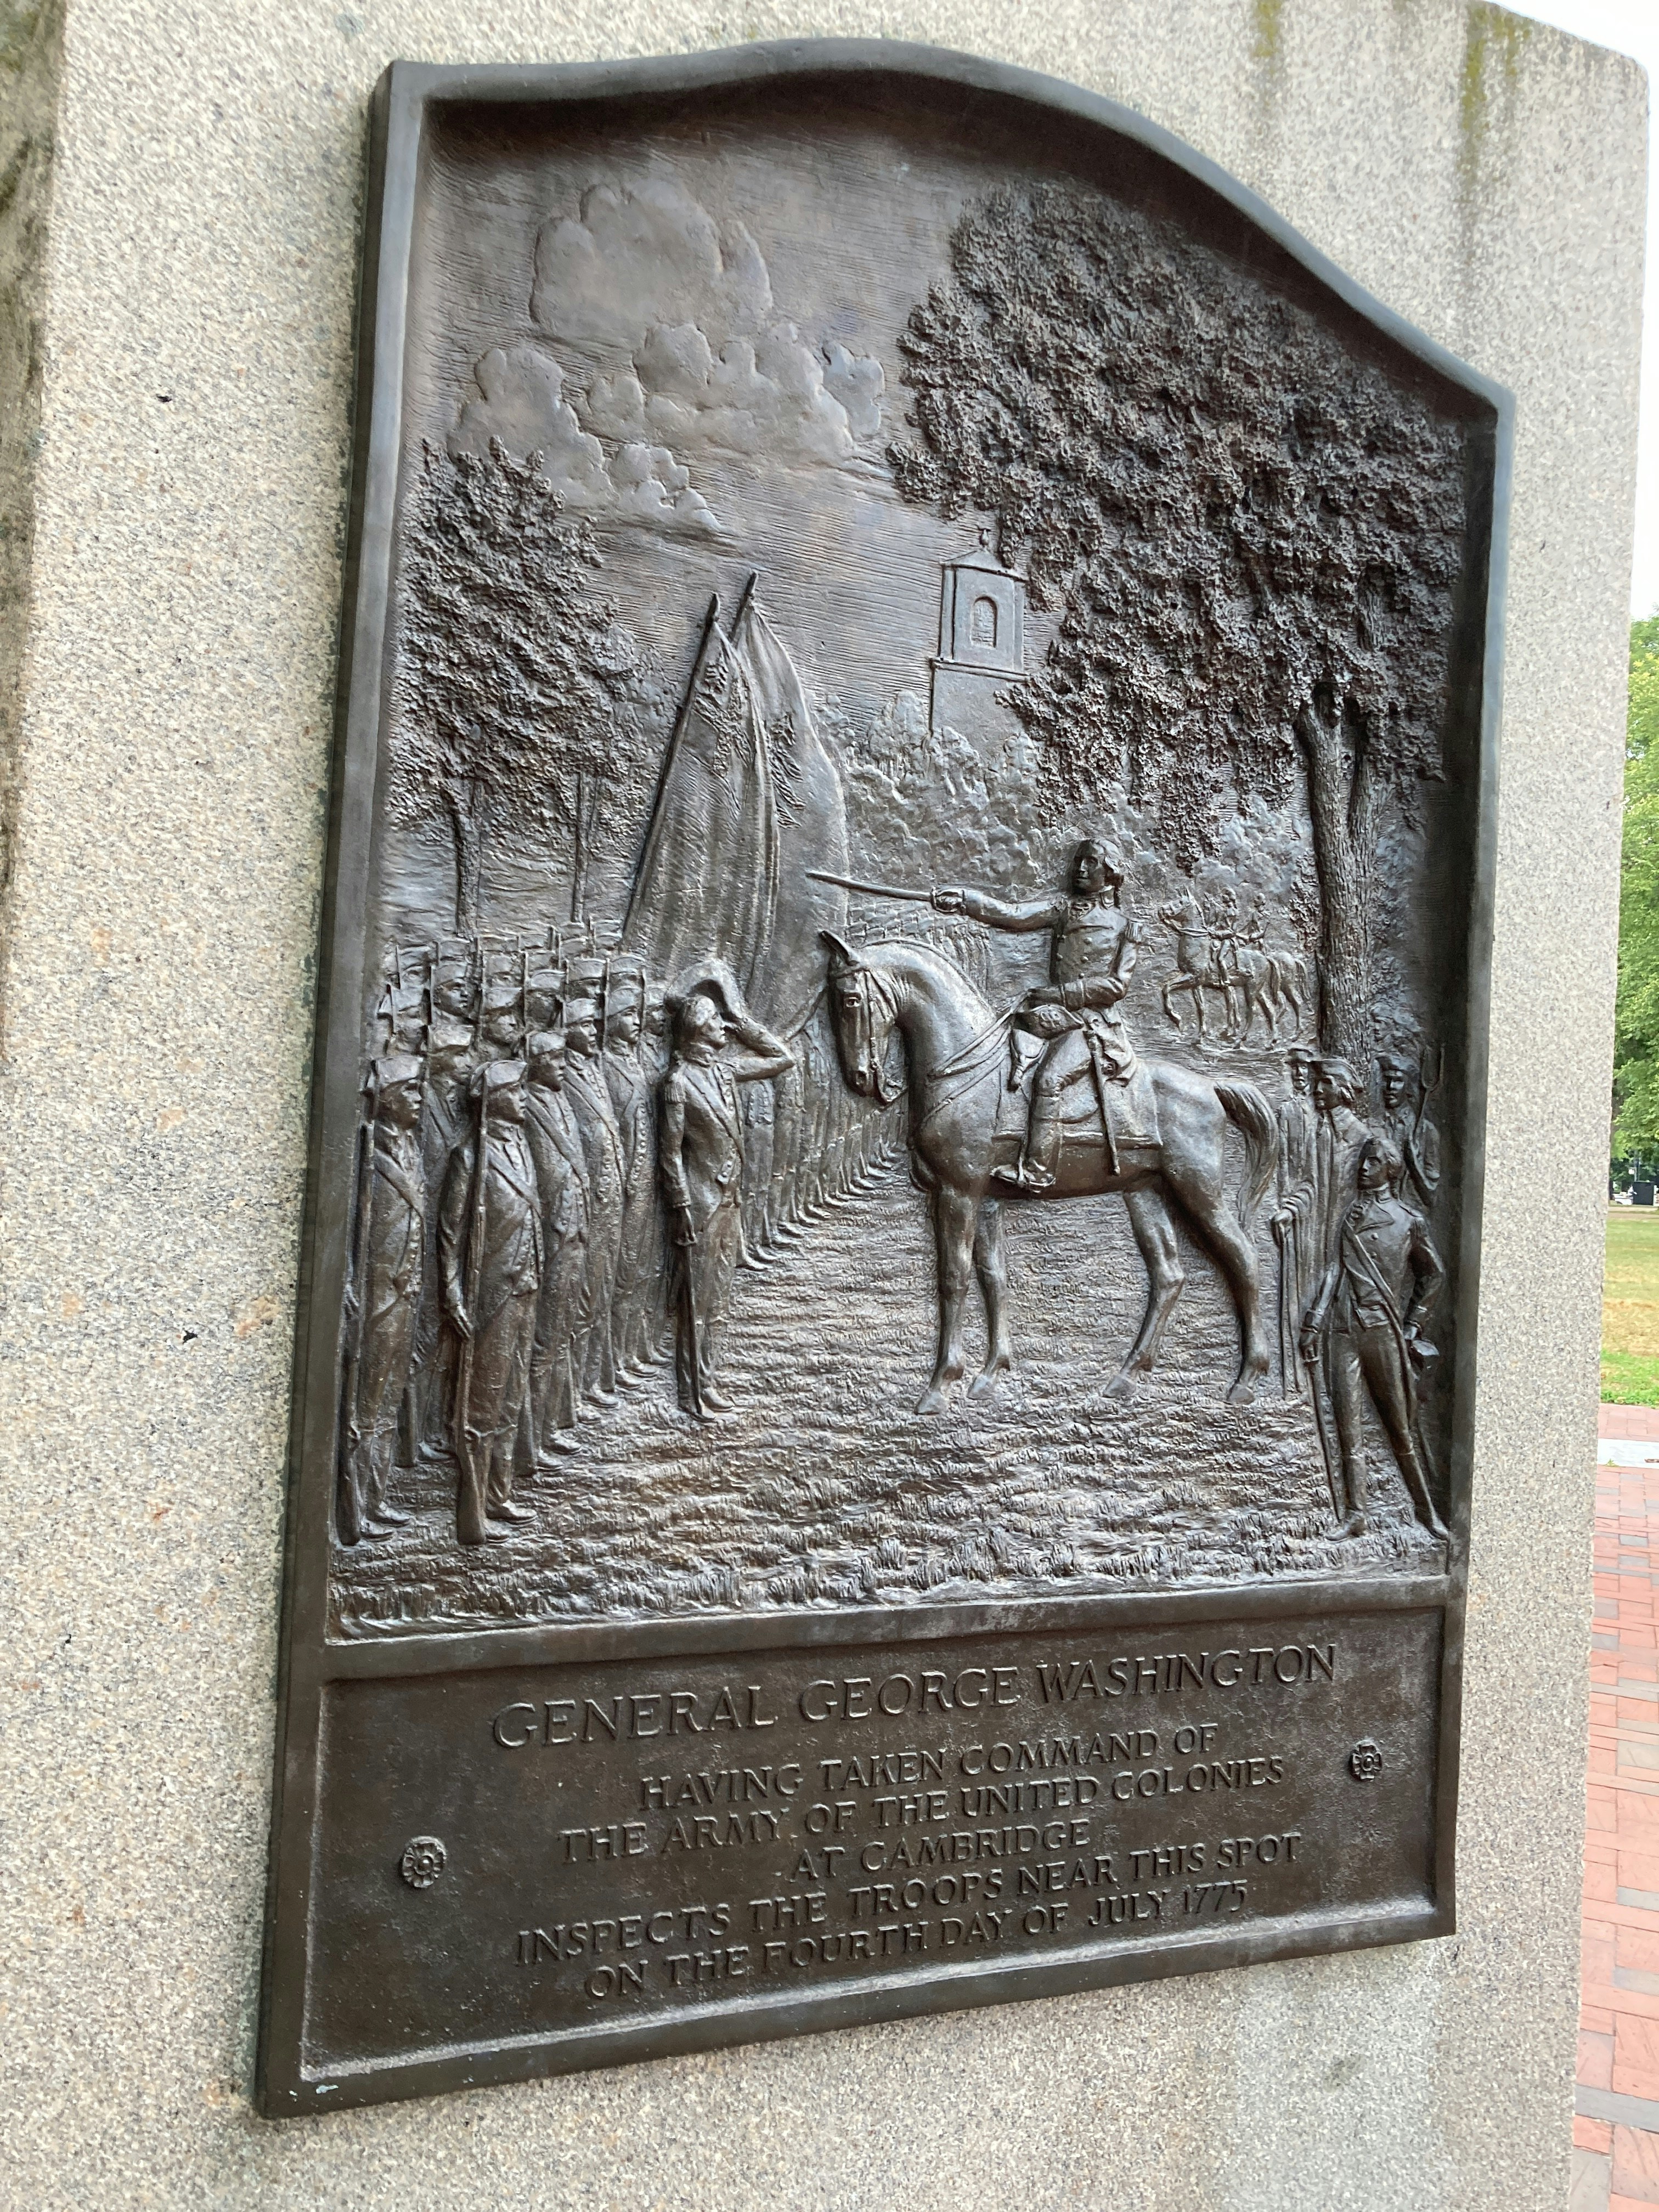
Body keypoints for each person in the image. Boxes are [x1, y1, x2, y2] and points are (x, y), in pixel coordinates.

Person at [933, 837, 1143, 1191]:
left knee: (1049, 1079)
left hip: (1092, 1025)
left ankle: (1038, 1170)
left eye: (1091, 862)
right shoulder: (1064, 908)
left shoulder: (1126, 927)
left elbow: (1117, 986)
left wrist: (1060, 993)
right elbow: (1013, 915)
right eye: (1079, 861)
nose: (1080, 868)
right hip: (1052, 1014)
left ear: (1110, 872)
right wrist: (967, 901)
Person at [659, 966, 792, 1415]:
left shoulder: (725, 1071)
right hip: (700, 1204)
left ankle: (708, 1379)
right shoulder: (678, 1083)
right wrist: (680, 1206)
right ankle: (691, 1390)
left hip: (728, 1201)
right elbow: (670, 1153)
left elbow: (782, 1058)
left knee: (717, 1299)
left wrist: (741, 1019)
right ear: (699, 1028)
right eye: (717, 1019)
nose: (724, 1027)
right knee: (697, 1302)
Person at [1301, 1134, 1447, 1540]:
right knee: (1348, 1429)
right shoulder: (1350, 1215)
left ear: (1391, 1170)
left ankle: (1427, 1512)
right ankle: (1356, 1514)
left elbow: (1433, 1274)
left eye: (1373, 1162)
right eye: (1363, 1161)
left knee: (1400, 1428)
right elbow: (1335, 1270)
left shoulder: (1409, 1220)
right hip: (1342, 1331)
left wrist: (1414, 1325)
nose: (1363, 1168)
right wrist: (1314, 1322)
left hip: (1382, 1332)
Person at [439, 1059, 542, 1546]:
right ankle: (473, 1510)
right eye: (517, 1091)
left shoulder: (521, 1145)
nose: (524, 1099)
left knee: (512, 1396)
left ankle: (500, 1494)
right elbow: (450, 1231)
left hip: (527, 1287)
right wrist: (452, 1291)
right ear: (496, 1099)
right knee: (483, 1405)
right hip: (492, 1294)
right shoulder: (470, 1156)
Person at [340, 1054, 426, 1545]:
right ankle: (354, 1511)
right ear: (388, 1099)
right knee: (366, 1409)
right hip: (377, 1300)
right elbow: (348, 1227)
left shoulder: (412, 1149)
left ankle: (376, 1498)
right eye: (410, 1090)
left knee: (389, 1402)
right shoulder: (368, 1151)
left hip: (405, 1295)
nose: (418, 1098)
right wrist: (350, 1285)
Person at [522, 1026, 588, 1457]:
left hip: (576, 1229)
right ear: (535, 1064)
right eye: (554, 1059)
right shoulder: (527, 1105)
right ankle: (529, 1444)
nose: (564, 1066)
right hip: (551, 1236)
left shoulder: (560, 1098)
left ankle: (550, 1427)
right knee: (544, 1339)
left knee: (563, 1329)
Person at [411, 1013, 474, 1461]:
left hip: (455, 1226)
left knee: (441, 1339)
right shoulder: (423, 1103)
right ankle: (412, 1438)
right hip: (425, 1231)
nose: (466, 1063)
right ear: (440, 1059)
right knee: (423, 1338)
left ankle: (434, 1427)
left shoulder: (455, 1102)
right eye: (459, 1056)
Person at [562, 980, 627, 1403]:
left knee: (602, 1290)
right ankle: (577, 1391)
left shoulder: (596, 1067)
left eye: (594, 1024)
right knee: (582, 1297)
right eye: (585, 1025)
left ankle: (595, 1378)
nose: (593, 1031)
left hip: (611, 1197)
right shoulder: (564, 1076)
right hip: (587, 1203)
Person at [1272, 1046, 1319, 1392]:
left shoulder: (1322, 1117)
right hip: (1290, 1207)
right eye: (1296, 1069)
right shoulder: (1286, 1112)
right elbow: (1282, 1163)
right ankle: (1293, 1379)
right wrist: (1284, 1203)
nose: (1300, 1074)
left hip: (1316, 1209)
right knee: (1290, 1291)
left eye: (1305, 1069)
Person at [1376, 1050, 1441, 1209]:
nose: (1391, 1087)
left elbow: (1431, 1197)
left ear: (1408, 1086)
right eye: (1387, 1080)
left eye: (1398, 1081)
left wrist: (1413, 1162)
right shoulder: (1375, 1125)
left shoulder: (1427, 1132)